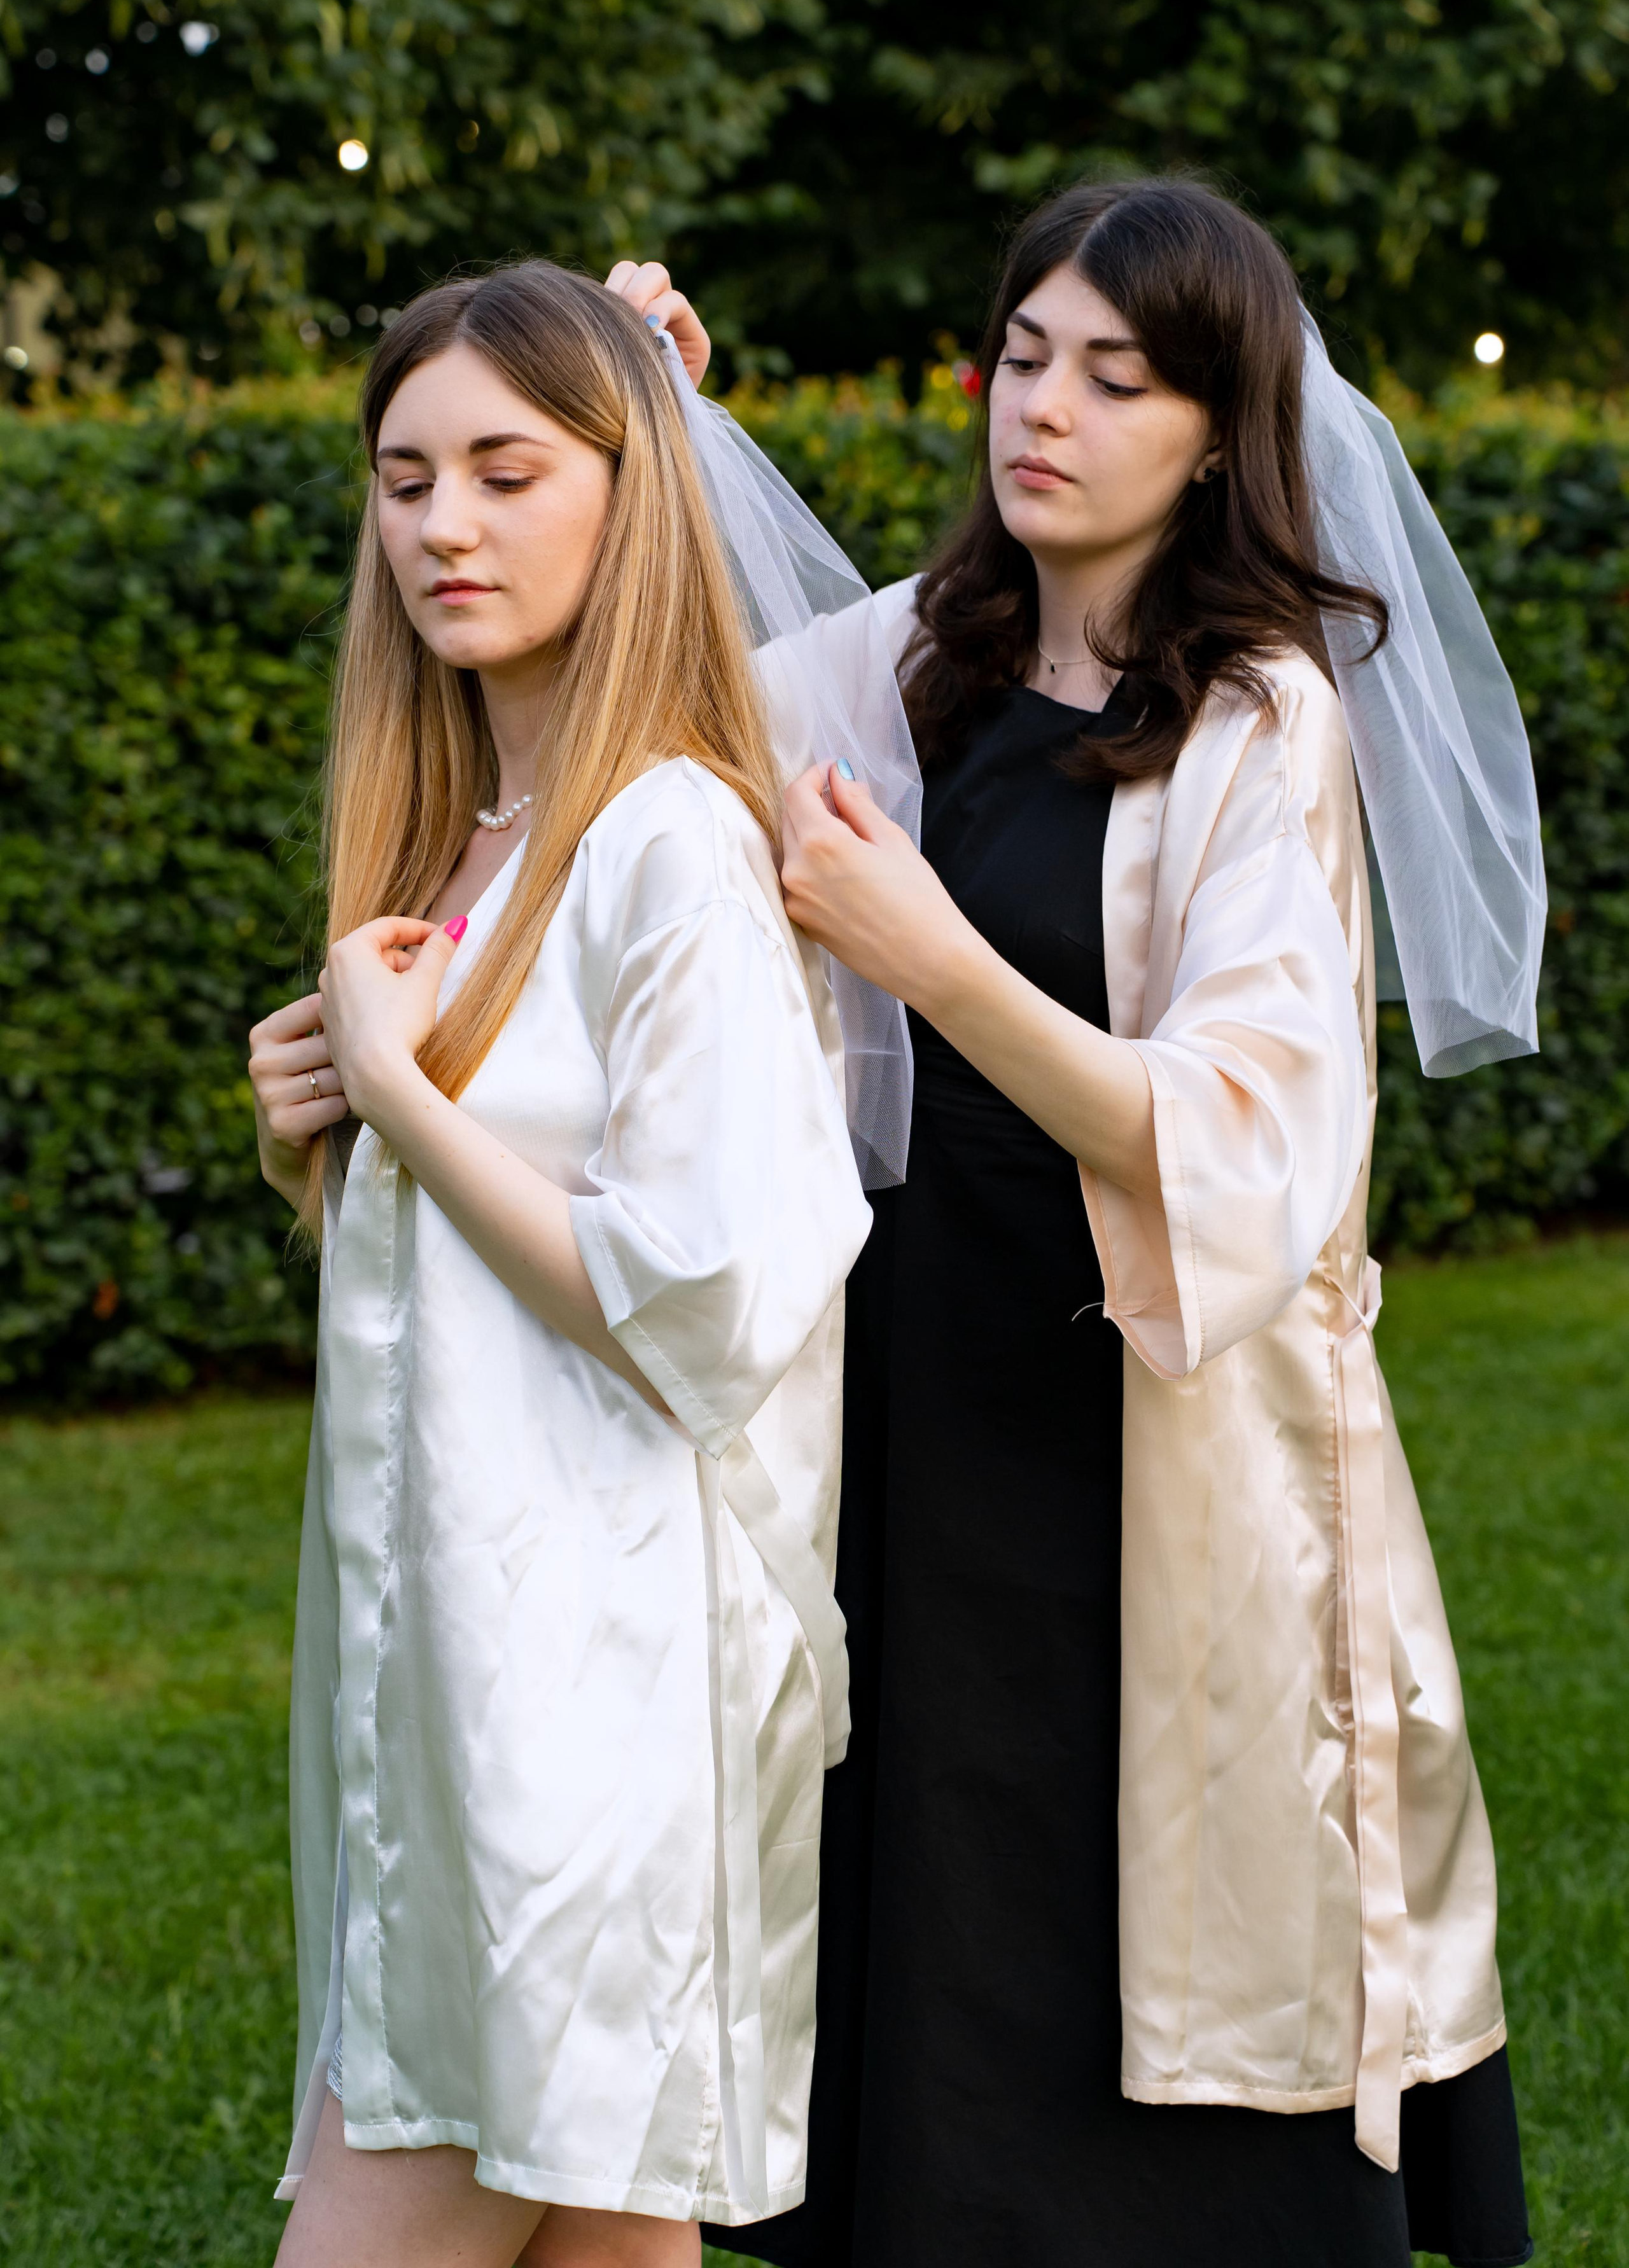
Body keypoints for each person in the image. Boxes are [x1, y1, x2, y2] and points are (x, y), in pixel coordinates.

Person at [630, 179, 1542, 2266]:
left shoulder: (1259, 722)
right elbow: (671, 703)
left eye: (1116, 377)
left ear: (1218, 427)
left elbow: (1241, 1140)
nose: (1044, 407)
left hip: (1151, 1441)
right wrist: (648, 421)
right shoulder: (915, 664)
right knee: (937, 1931)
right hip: (921, 1421)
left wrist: (933, 955)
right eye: (1024, 356)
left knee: (1153, 1954)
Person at [245, 260, 877, 2268]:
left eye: (509, 471)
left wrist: (399, 1096)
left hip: (589, 1710)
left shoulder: (670, 843)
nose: (443, 525)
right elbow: (454, 1303)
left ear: (631, 484)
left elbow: (694, 1301)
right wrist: (323, 1146)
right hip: (458, 1670)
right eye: (404, 474)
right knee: (609, 2245)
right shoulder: (473, 842)